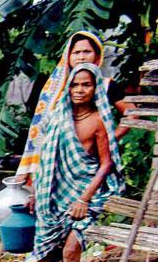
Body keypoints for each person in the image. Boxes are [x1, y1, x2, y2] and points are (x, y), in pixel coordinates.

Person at [31, 63, 121, 262]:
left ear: (95, 88)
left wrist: (84, 198)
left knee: (71, 250)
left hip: (85, 191)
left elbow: (106, 164)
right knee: (44, 253)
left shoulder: (99, 120)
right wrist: (34, 192)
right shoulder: (57, 117)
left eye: (86, 85)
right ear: (68, 87)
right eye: (75, 84)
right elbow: (45, 158)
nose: (80, 90)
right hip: (52, 193)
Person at [16, 31, 132, 186]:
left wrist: (109, 139)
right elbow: (40, 126)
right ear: (68, 57)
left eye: (87, 52)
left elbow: (132, 114)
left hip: (89, 161)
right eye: (76, 52)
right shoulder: (55, 88)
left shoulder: (106, 85)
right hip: (53, 158)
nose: (81, 57)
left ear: (97, 56)